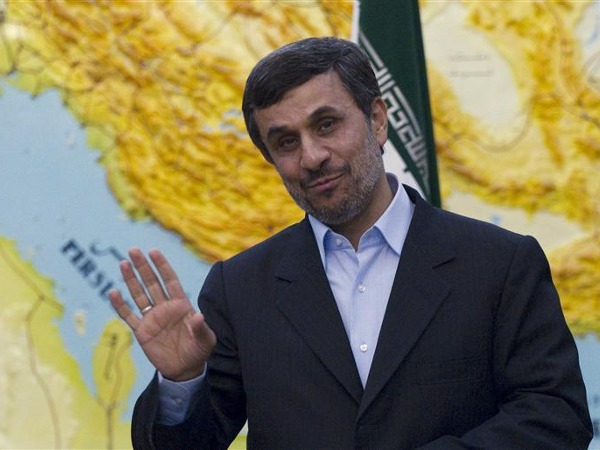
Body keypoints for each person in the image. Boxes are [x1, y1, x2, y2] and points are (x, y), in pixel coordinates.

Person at [109, 37, 593, 449]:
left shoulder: (500, 263)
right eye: (285, 142)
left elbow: (556, 418)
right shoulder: (240, 287)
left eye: (326, 125)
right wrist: (181, 383)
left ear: (378, 121)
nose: (312, 157)